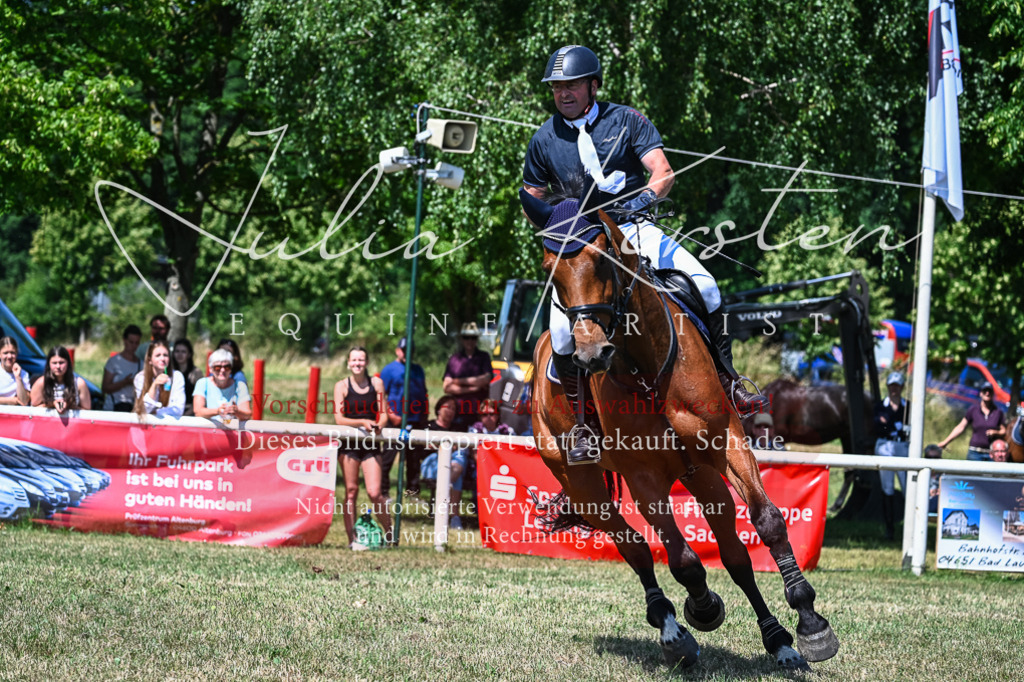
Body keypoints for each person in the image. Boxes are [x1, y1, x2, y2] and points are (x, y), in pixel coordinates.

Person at [521, 45, 767, 464]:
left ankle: (729, 383)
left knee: (706, 286)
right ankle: (583, 425)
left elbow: (662, 172)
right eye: (557, 87)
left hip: (633, 228)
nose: (563, 93)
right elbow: (532, 197)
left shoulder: (627, 120)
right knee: (561, 335)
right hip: (581, 243)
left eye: (572, 85)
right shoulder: (544, 139)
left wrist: (643, 200)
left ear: (593, 85)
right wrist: (555, 225)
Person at [333, 346, 392, 550]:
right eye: (354, 360)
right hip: (349, 444)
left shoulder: (376, 383)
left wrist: (379, 425)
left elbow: (383, 414)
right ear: (348, 363)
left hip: (370, 444)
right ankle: (352, 540)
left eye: (361, 360)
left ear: (366, 363)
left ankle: (391, 537)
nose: (357, 363)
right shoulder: (341, 386)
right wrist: (362, 422)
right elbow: (339, 419)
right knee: (351, 491)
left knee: (375, 492)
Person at [378, 336, 429, 495]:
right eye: (404, 350)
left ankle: (412, 492)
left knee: (414, 460)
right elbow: (381, 395)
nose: (407, 353)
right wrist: (391, 414)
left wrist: (424, 415)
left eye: (410, 350)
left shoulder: (418, 370)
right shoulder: (389, 370)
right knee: (387, 458)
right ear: (397, 351)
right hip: (395, 421)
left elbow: (424, 393)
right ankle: (383, 491)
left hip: (415, 421)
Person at [418, 395, 468, 527]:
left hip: (453, 463)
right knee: (455, 474)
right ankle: (455, 517)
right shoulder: (429, 426)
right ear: (439, 409)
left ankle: (448, 483)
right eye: (447, 407)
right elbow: (424, 447)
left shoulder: (457, 429)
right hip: (431, 463)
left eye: (453, 409)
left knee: (459, 457)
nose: (450, 411)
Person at [874, 371, 910, 540]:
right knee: (887, 486)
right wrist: (890, 426)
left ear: (902, 387)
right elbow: (879, 425)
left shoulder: (908, 407)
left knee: (907, 486)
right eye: (891, 385)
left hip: (902, 447)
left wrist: (889, 424)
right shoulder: (881, 406)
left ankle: (909, 526)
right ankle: (889, 527)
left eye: (897, 385)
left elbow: (908, 426)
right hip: (885, 446)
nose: (894, 389)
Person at [442, 322, 493, 432]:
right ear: (461, 339)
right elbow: (446, 387)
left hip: (478, 413)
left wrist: (456, 381)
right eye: (466, 337)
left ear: (477, 339)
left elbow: (486, 379)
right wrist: (473, 388)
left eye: (473, 337)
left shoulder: (484, 357)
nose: (470, 341)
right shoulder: (454, 359)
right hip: (457, 413)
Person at [937, 381, 1006, 461]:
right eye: (985, 391)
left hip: (991, 454)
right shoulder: (973, 410)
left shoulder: (998, 412)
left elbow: (1003, 431)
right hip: (974, 453)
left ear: (993, 394)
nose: (987, 393)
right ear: (981, 393)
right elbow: (961, 427)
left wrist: (995, 432)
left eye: (989, 391)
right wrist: (945, 442)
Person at [193, 348, 252, 423]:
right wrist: (218, 411)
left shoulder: (240, 385)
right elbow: (198, 412)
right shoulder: (202, 383)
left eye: (227, 367)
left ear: (231, 369)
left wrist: (236, 411)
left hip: (233, 428)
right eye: (218, 367)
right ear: (210, 369)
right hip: (209, 428)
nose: (223, 370)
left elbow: (247, 414)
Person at [133, 341, 186, 418]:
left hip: (167, 424)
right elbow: (143, 409)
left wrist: (157, 412)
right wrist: (154, 385)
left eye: (165, 355)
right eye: (158, 355)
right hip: (144, 423)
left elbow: (178, 409)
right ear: (149, 360)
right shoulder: (140, 377)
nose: (162, 358)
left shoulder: (177, 376)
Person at [30, 346, 91, 413]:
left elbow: (87, 412)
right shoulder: (41, 383)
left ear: (68, 363)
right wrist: (52, 404)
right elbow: (32, 410)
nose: (58, 366)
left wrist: (69, 405)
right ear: (49, 364)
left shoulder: (79, 383)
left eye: (61, 362)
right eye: (54, 363)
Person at [102, 325, 143, 412]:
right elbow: (105, 388)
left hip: (132, 409)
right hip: (112, 408)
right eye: (131, 342)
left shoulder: (141, 364)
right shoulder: (114, 362)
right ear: (124, 340)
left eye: (136, 343)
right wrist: (124, 382)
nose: (134, 346)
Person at [171, 338, 204, 416]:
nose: (180, 354)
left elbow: (201, 396)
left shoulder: (196, 372)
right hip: (172, 412)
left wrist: (187, 414)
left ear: (189, 354)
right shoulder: (169, 372)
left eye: (183, 352)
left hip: (191, 413)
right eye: (177, 351)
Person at [0, 337, 30, 406]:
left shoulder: (24, 374)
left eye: (12, 352)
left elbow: (24, 402)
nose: (9, 356)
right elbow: (17, 401)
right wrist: (13, 400)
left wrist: (18, 377)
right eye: (5, 353)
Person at [925, 443, 943, 515]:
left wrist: (941, 492)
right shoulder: (920, 475)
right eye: (929, 457)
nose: (932, 460)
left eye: (935, 458)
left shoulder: (945, 474)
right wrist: (927, 492)